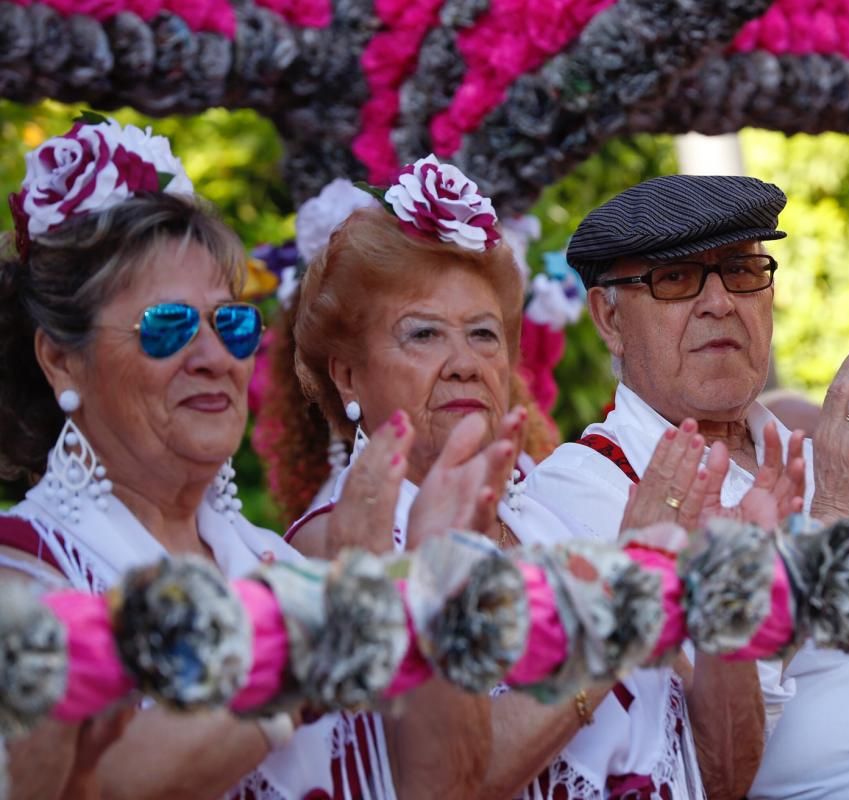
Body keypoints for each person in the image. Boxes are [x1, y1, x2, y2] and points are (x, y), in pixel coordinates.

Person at [0, 119, 491, 799]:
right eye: (166, 326)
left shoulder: (275, 562)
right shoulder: (26, 574)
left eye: (231, 323)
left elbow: (442, 787)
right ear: (60, 359)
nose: (212, 359)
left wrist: (438, 578)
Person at [286, 157, 768, 799]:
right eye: (424, 334)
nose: (464, 363)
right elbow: (444, 782)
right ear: (347, 375)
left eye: (484, 335)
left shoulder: (544, 519)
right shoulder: (334, 548)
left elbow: (722, 776)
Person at [522, 174, 849, 799]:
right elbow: (690, 760)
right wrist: (827, 531)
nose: (720, 302)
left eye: (743, 270)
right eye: (675, 278)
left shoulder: (831, 453)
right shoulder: (584, 490)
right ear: (609, 318)